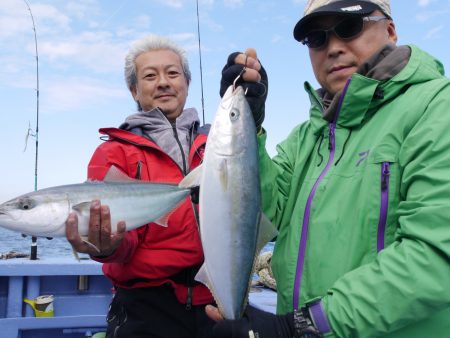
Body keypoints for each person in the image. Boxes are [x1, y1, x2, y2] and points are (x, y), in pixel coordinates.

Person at [208, 0, 450, 337]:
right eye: (317, 39)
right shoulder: (307, 136)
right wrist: (248, 130)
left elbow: (436, 256)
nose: (333, 47)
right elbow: (267, 210)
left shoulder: (437, 108)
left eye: (349, 27)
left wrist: (305, 325)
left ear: (391, 30)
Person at [66, 34, 216, 338]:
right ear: (134, 89)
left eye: (172, 73)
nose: (163, 82)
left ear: (186, 83)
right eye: (150, 76)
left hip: (217, 298)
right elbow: (124, 240)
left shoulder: (217, 145)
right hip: (145, 307)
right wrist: (110, 246)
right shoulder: (114, 153)